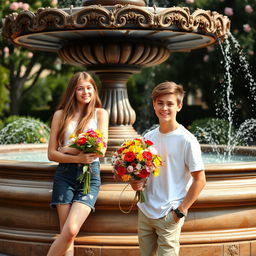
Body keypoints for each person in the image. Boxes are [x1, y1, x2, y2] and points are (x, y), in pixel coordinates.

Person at [131, 81, 206, 256]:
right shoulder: (148, 137)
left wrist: (180, 211)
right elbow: (144, 173)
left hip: (169, 214)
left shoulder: (187, 140)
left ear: (179, 106)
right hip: (145, 212)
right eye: (160, 103)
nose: (164, 108)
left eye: (170, 104)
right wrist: (137, 181)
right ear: (154, 105)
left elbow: (200, 180)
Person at [47, 71, 108, 256]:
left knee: (71, 230)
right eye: (80, 88)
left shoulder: (100, 114)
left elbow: (101, 150)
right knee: (67, 235)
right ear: (73, 91)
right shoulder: (60, 115)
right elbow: (51, 154)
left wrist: (69, 149)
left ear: (94, 90)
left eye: (89, 88)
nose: (85, 92)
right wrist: (77, 158)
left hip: (90, 175)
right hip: (64, 175)